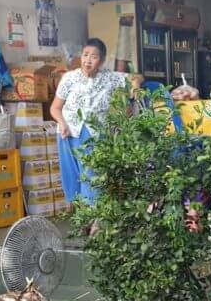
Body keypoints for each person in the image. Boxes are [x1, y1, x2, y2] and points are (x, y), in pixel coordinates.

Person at [50, 37, 142, 202]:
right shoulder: (69, 78)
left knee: (93, 178)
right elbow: (55, 108)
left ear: (102, 61)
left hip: (95, 135)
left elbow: (137, 77)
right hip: (68, 134)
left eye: (94, 56)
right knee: (72, 178)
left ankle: (94, 221)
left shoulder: (110, 77)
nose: (88, 60)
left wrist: (134, 90)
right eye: (85, 55)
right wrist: (62, 123)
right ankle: (81, 219)